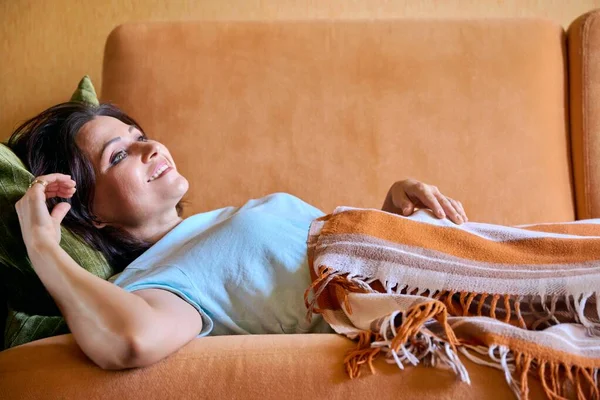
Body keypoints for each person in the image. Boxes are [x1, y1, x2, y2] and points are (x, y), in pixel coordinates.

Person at [7, 102, 468, 370]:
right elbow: (134, 339)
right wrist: (44, 248)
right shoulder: (157, 278)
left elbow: (317, 279)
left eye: (139, 134)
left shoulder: (205, 229)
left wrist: (387, 215)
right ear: (91, 214)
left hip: (446, 263)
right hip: (445, 307)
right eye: (119, 155)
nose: (151, 148)